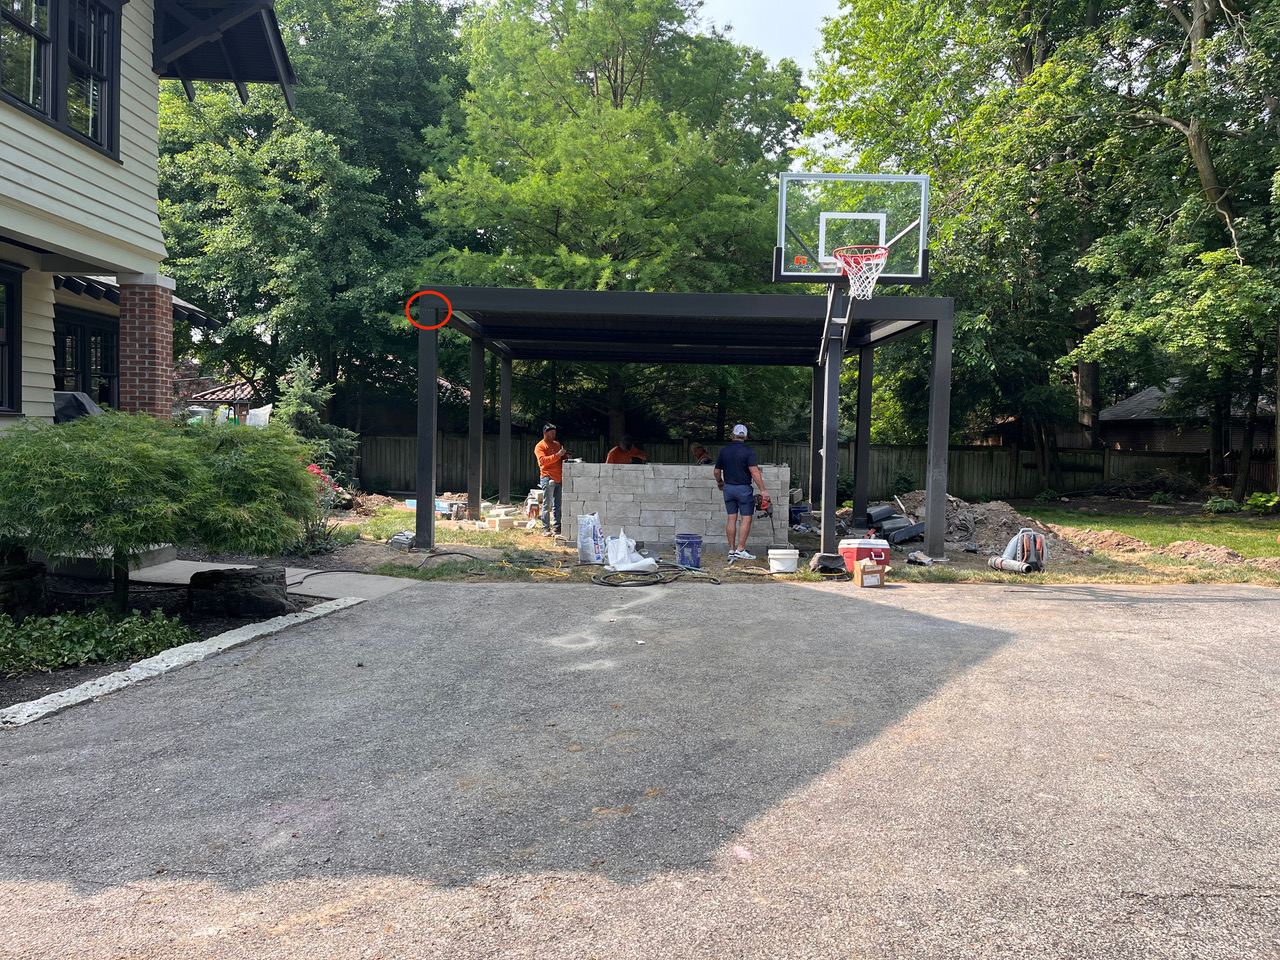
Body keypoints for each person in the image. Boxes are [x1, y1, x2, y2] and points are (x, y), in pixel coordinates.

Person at [714, 424, 769, 561]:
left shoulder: (724, 451)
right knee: (746, 518)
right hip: (743, 489)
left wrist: (720, 482)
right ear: (745, 436)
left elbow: (716, 471)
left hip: (728, 488)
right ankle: (740, 549)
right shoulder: (748, 451)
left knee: (731, 518)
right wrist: (763, 490)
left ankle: (731, 550)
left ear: (732, 435)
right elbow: (754, 471)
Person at [535, 422, 569, 536]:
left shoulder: (557, 444)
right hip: (547, 477)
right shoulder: (540, 446)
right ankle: (545, 528)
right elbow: (543, 461)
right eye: (551, 434)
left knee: (557, 504)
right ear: (545, 433)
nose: (553, 436)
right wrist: (558, 455)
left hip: (558, 477)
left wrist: (566, 456)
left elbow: (561, 458)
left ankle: (557, 527)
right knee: (547, 504)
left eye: (555, 434)